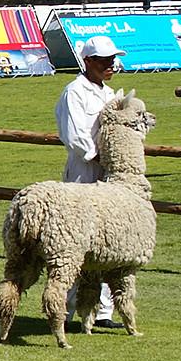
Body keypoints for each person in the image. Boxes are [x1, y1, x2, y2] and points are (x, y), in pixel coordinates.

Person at [55, 33, 124, 321]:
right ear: (88, 61)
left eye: (112, 60)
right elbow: (74, 136)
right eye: (105, 60)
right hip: (84, 172)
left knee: (107, 238)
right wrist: (99, 155)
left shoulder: (109, 94)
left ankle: (103, 310)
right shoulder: (74, 92)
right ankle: (69, 309)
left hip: (107, 172)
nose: (111, 65)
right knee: (77, 241)